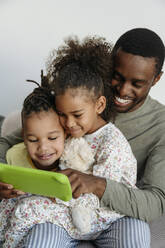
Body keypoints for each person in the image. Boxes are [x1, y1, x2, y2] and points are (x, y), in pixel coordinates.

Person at [0, 27, 164, 247]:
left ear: (155, 79)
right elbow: (12, 142)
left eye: (137, 83)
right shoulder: (73, 102)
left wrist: (97, 184)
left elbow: (155, 202)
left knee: (134, 237)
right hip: (61, 213)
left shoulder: (160, 125)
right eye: (117, 77)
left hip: (116, 215)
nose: (123, 91)